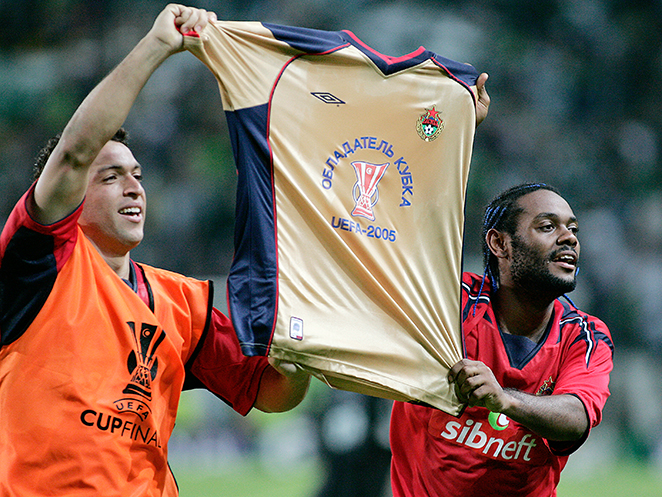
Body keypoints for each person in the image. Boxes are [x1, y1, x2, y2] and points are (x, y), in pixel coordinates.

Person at [0, 5, 309, 496]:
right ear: (69, 196)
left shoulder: (183, 303)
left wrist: (295, 366)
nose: (134, 187)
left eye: (138, 175)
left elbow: (269, 394)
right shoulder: (37, 266)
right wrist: (157, 45)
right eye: (111, 177)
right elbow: (76, 152)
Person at [389, 183, 614, 496]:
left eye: (573, 229)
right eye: (547, 226)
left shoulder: (585, 336)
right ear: (500, 243)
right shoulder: (449, 306)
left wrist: (504, 399)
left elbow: (577, 417)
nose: (570, 238)